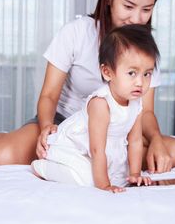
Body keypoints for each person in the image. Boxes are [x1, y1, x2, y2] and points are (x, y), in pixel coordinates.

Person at [0, 0, 175, 172]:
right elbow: (49, 95)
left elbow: (145, 112)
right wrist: (45, 129)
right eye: (128, 6)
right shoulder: (77, 32)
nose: (136, 18)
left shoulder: (146, 50)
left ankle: (86, 159)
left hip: (116, 132)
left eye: (146, 9)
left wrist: (156, 141)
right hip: (65, 124)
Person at [32, 24, 159, 192]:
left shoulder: (136, 103)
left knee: (119, 177)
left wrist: (134, 174)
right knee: (87, 179)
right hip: (75, 149)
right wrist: (104, 186)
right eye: (131, 73)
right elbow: (97, 149)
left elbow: (135, 141)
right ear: (107, 72)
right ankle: (44, 167)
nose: (140, 82)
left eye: (147, 74)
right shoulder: (101, 103)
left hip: (98, 152)